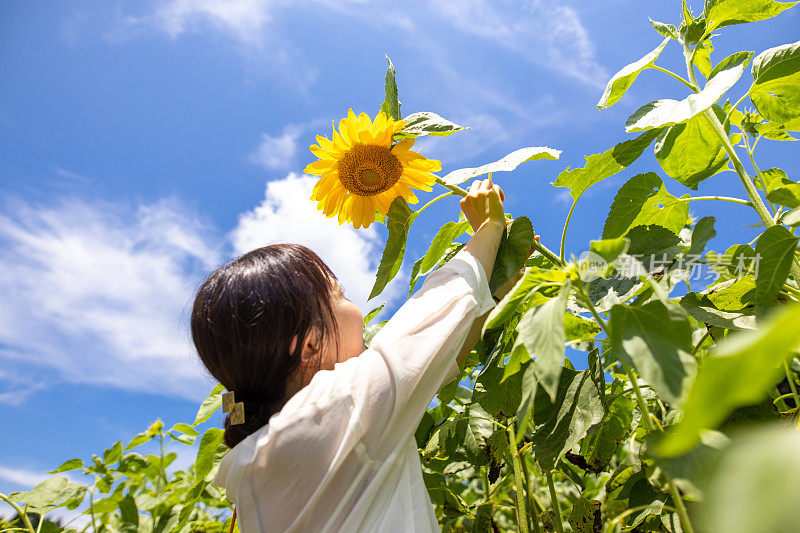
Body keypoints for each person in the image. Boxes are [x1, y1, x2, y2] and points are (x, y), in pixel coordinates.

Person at [191, 178, 527, 532]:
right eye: (340, 295)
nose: (357, 310)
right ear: (309, 345)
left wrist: (495, 294)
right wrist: (488, 227)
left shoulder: (264, 462)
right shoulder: (336, 409)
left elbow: (436, 363)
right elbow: (422, 330)